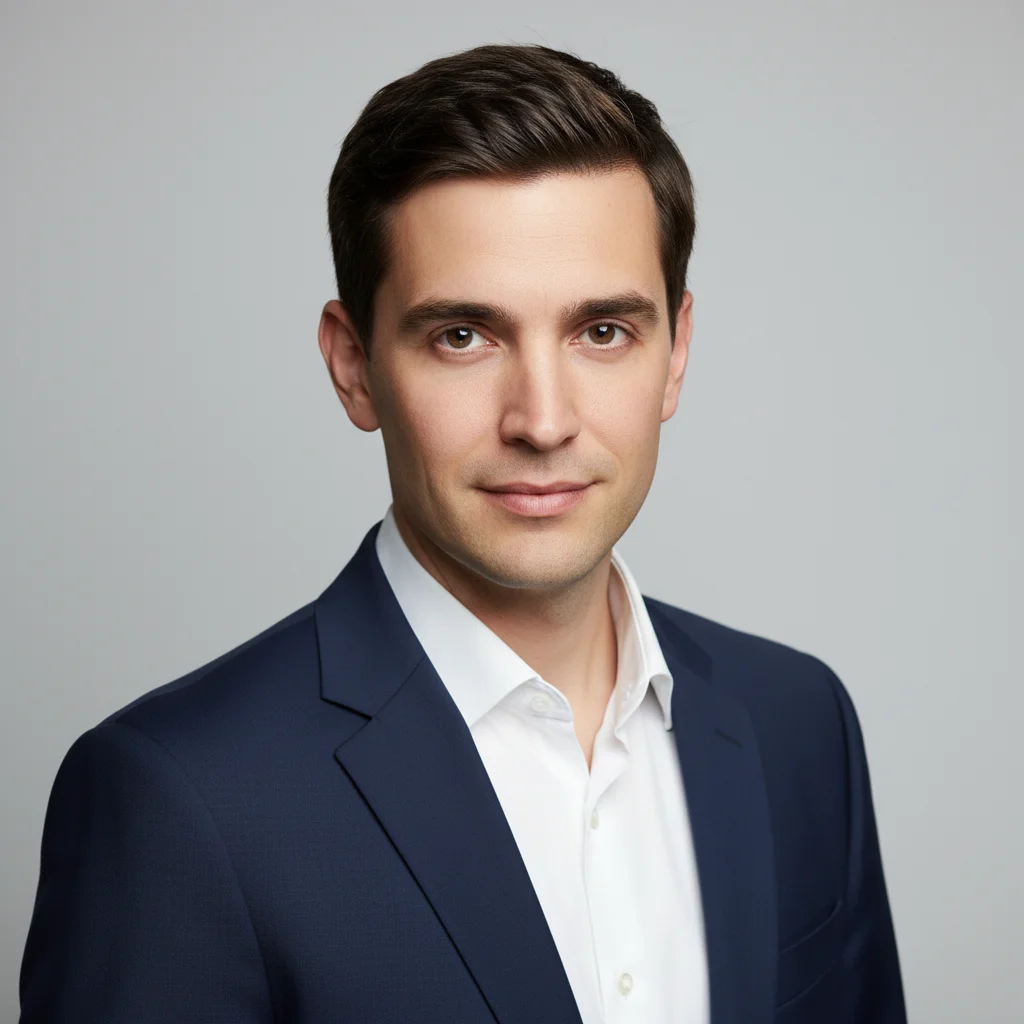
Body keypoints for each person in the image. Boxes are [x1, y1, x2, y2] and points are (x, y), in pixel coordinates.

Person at [18, 43, 906, 1024]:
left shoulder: (797, 722)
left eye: (602, 331)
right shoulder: (180, 801)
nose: (542, 418)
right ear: (353, 367)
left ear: (675, 351)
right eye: (463, 336)